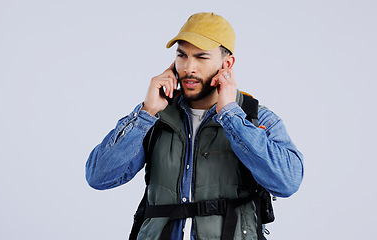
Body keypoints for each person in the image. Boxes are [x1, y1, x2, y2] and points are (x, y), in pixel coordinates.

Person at [85, 12, 304, 240]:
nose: (189, 68)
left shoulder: (255, 118)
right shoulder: (155, 116)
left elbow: (287, 182)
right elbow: (98, 177)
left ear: (226, 64)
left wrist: (230, 115)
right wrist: (146, 113)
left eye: (201, 57)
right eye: (182, 55)